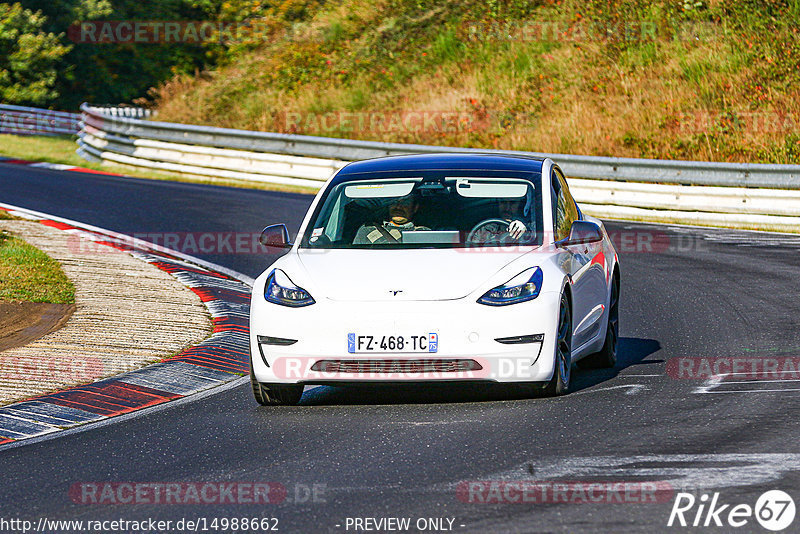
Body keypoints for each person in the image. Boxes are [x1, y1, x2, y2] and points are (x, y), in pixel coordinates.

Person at [353, 194, 429, 244]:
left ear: (415, 208)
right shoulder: (367, 230)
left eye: (405, 203)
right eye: (394, 202)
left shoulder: (425, 233)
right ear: (388, 206)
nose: (398, 207)